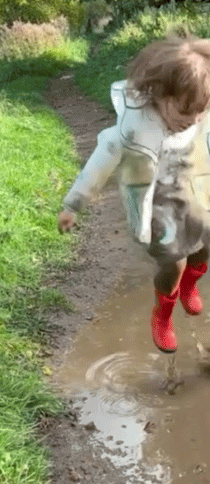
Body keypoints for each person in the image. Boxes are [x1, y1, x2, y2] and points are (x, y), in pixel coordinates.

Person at [58, 36, 210, 354]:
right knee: (174, 260)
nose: (195, 119)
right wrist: (73, 203)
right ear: (159, 96)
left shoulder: (196, 107)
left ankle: (190, 284)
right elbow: (100, 163)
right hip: (157, 204)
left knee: (203, 249)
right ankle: (163, 315)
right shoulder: (131, 132)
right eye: (187, 110)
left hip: (196, 191)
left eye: (202, 110)